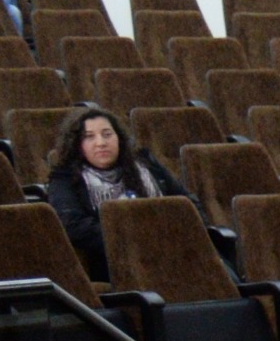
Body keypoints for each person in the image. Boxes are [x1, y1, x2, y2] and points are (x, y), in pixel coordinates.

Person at [40, 106, 186, 277]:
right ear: (77, 145)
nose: (101, 143)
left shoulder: (145, 163)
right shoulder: (65, 178)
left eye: (107, 134)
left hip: (173, 249)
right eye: (89, 137)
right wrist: (137, 237)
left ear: (119, 139)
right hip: (115, 263)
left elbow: (187, 202)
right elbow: (73, 226)